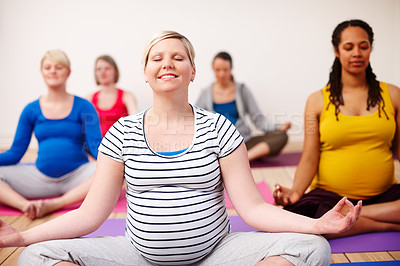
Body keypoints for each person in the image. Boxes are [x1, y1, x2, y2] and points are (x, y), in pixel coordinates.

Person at [0, 31, 361, 266]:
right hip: (136, 256)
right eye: (157, 58)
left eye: (178, 57)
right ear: (145, 72)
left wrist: (316, 224)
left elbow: (253, 209)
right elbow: (90, 216)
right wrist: (23, 235)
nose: (167, 63)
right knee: (35, 256)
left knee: (313, 249)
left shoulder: (219, 129)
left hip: (217, 255)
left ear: (191, 72)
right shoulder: (122, 133)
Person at [273, 19, 400, 238]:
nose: (357, 53)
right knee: (300, 221)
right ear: (337, 50)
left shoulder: (394, 95)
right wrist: (295, 192)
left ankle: (350, 216)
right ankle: (385, 225)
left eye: (364, 46)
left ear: (371, 48)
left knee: (324, 221)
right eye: (349, 47)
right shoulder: (316, 101)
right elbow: (310, 157)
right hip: (330, 198)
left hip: (384, 196)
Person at [0, 49, 102, 219]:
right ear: (42, 72)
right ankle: (26, 206)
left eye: (59, 67)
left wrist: (116, 164)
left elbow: (95, 147)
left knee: (114, 171)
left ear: (68, 72)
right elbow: (16, 153)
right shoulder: (30, 109)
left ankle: (56, 204)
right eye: (48, 67)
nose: (53, 71)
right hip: (40, 179)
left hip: (78, 178)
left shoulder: (85, 106)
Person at [196, 52, 291, 161]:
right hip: (218, 145)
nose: (221, 74)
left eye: (225, 70)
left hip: (243, 143)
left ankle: (243, 159)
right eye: (218, 70)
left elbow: (258, 120)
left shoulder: (242, 89)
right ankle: (234, 159)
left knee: (281, 136)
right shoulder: (205, 93)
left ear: (231, 68)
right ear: (213, 70)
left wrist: (277, 127)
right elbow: (197, 121)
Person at [87, 55, 137, 137]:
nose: (102, 72)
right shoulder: (88, 98)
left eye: (107, 68)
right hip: (95, 147)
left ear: (115, 71)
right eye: (99, 69)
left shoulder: (127, 96)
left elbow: (135, 123)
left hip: (120, 147)